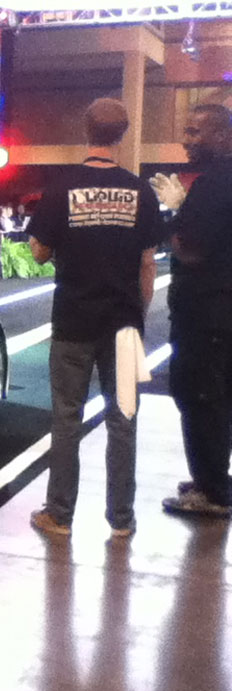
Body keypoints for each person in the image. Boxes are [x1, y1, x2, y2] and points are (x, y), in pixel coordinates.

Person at [27, 98, 163, 538]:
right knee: (124, 421)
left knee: (67, 419)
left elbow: (39, 251)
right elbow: (148, 265)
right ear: (123, 134)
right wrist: (137, 317)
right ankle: (122, 519)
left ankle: (59, 515)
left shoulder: (61, 188)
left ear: (86, 130)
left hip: (73, 321)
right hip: (124, 326)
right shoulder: (141, 192)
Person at [150, 104, 232, 517]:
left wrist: (174, 215)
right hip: (223, 311)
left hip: (206, 313)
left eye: (195, 132)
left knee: (199, 397)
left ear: (222, 135)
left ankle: (212, 491)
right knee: (220, 398)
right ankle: (212, 477)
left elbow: (191, 250)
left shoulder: (214, 184)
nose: (186, 139)